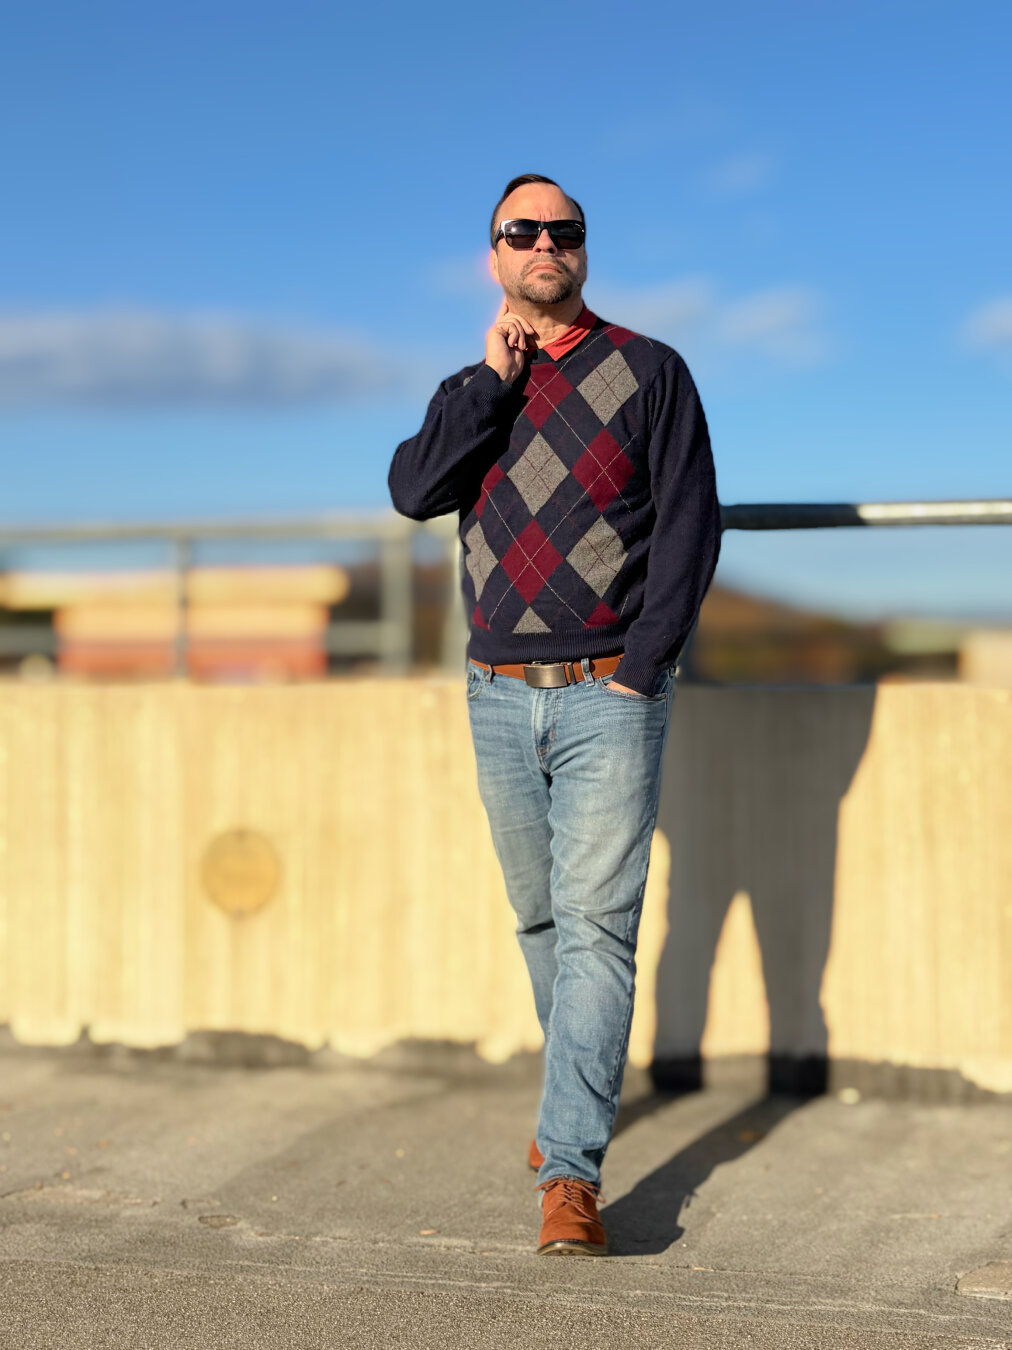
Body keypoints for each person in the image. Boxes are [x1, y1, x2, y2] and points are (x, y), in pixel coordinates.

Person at [388, 173, 721, 1256]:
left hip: (608, 693)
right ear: (493, 257)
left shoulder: (650, 371)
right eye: (522, 231)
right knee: (539, 922)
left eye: (562, 231)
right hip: (495, 694)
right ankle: (568, 1103)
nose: (545, 244)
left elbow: (691, 526)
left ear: (583, 251)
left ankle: (570, 1170)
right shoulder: (470, 389)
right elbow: (413, 491)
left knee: (598, 930)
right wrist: (492, 383)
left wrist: (641, 671)